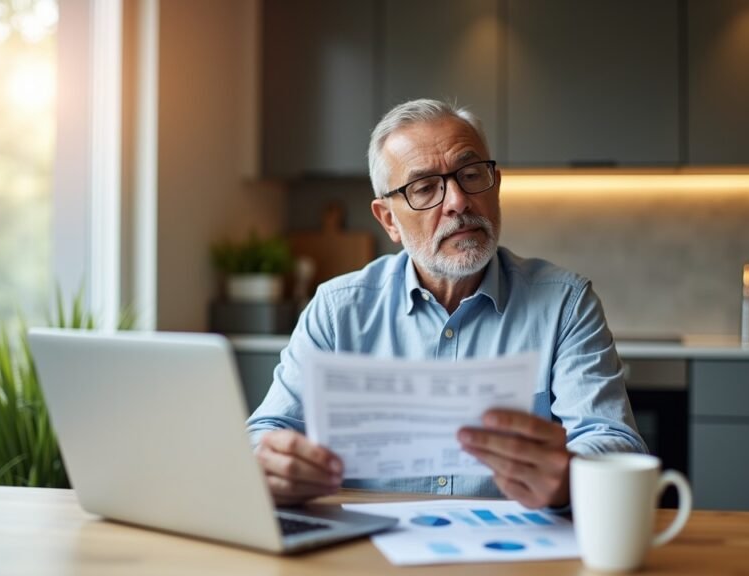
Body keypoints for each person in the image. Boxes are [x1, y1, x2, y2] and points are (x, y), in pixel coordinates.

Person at [246, 98, 645, 509]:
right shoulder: (336, 311)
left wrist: (572, 474)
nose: (458, 200)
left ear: (496, 186)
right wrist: (268, 461)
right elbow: (268, 429)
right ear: (388, 220)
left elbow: (616, 442)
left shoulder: (565, 303)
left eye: (471, 175)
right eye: (424, 188)